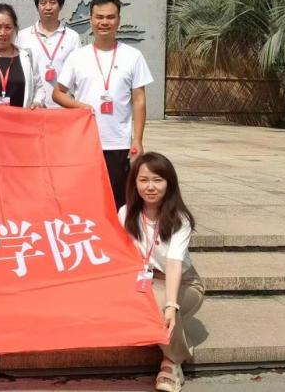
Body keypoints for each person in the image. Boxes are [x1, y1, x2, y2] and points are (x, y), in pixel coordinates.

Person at [53, 0, 152, 210]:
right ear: (91, 20)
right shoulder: (77, 56)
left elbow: (139, 100)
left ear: (119, 20)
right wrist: (80, 106)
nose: (104, 22)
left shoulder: (133, 56)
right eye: (99, 17)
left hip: (118, 143)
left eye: (110, 17)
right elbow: (58, 93)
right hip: (85, 141)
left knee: (118, 201)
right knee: (84, 199)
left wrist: (138, 140)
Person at [118, 152, 203, 392]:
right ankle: (175, 341)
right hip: (148, 277)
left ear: (169, 183)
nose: (150, 187)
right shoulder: (126, 213)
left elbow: (174, 263)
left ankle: (172, 361)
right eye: (144, 180)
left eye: (158, 180)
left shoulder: (179, 219)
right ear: (134, 183)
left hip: (185, 283)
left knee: (156, 305)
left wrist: (171, 306)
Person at [16, 0, 82, 108]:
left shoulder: (72, 37)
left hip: (64, 106)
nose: (48, 7)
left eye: (53, 2)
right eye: (43, 3)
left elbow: (78, 72)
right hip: (33, 106)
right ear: (37, 6)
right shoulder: (23, 36)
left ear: (60, 6)